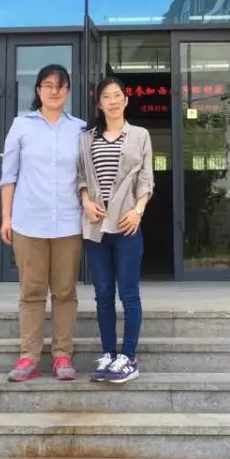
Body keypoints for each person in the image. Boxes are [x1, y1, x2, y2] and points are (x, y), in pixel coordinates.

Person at [0, 64, 86, 382]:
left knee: (65, 292)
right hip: (29, 222)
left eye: (61, 86)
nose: (54, 91)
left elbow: (85, 176)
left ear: (68, 91)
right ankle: (29, 357)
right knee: (32, 291)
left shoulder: (80, 129)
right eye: (48, 85)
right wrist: (6, 217)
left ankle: (62, 356)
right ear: (38, 90)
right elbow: (9, 176)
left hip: (68, 223)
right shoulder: (21, 125)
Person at [77, 76, 154, 384]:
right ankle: (109, 354)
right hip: (96, 226)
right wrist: (85, 202)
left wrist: (138, 211)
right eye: (106, 96)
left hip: (127, 224)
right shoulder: (87, 138)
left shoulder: (140, 135)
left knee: (129, 293)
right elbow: (81, 176)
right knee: (103, 293)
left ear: (126, 100)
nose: (112, 100)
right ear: (99, 103)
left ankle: (129, 357)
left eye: (117, 95)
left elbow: (146, 179)